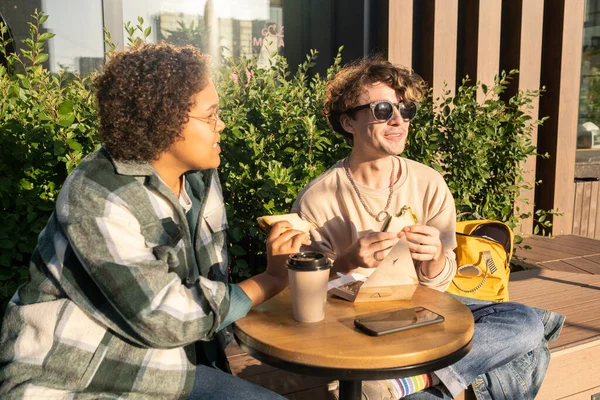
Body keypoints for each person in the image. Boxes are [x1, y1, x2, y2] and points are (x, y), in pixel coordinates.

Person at [0, 42, 308, 399]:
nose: (221, 124)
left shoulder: (200, 177)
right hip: (74, 380)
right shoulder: (98, 194)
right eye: (211, 115)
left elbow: (203, 284)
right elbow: (163, 317)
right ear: (165, 120)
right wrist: (271, 279)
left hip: (168, 368)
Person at [292, 57, 562, 399]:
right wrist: (346, 263)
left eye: (406, 110)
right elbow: (306, 299)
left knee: (523, 321)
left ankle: (404, 384)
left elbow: (440, 282)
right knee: (530, 347)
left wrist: (434, 258)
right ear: (349, 122)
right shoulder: (318, 199)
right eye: (382, 109)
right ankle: (417, 387)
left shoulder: (428, 183)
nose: (398, 120)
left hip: (423, 309)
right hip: (354, 325)